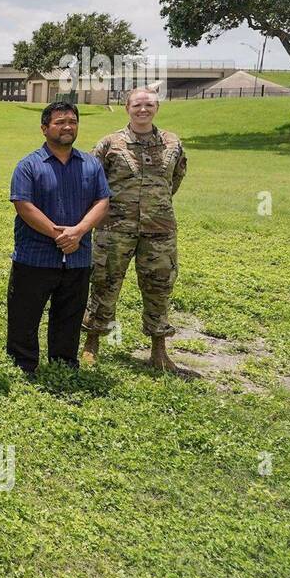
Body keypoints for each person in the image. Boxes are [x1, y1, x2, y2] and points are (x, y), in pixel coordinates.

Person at [81, 88, 193, 374]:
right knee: (105, 282)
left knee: (159, 286)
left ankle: (159, 350)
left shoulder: (172, 143)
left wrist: (154, 205)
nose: (143, 110)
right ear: (126, 108)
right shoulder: (110, 144)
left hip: (160, 229)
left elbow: (175, 178)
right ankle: (92, 343)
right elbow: (93, 181)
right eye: (137, 105)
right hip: (115, 228)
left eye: (148, 104)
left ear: (156, 107)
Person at [7, 101, 111, 375]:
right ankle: (23, 365)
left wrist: (78, 232)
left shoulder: (91, 165)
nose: (67, 127)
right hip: (35, 255)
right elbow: (23, 205)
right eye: (60, 122)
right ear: (44, 128)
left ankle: (64, 364)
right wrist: (58, 233)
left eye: (72, 122)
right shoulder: (29, 165)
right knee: (24, 315)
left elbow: (103, 201)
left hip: (77, 256)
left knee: (70, 314)